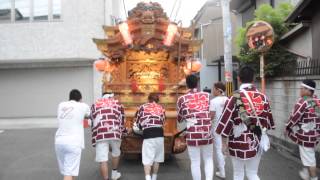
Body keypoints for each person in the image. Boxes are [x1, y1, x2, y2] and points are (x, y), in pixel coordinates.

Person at [216, 66, 275, 180]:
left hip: (238, 140)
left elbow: (226, 121)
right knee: (253, 173)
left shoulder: (235, 97)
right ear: (253, 79)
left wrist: (224, 143)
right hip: (257, 139)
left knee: (238, 174)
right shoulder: (263, 97)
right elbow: (268, 121)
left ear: (238, 79)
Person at [177, 74, 214, 180]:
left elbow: (180, 118)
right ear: (197, 83)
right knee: (208, 159)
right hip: (207, 131)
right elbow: (211, 113)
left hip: (193, 132)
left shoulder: (182, 99)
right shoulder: (207, 96)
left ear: (187, 85)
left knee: (195, 162)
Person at [285, 79, 320, 180]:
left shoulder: (303, 101)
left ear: (308, 90)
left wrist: (287, 127)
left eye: (302, 89)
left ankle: (313, 177)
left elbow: (294, 117)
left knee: (310, 159)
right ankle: (306, 173)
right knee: (308, 156)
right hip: (315, 135)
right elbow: (317, 117)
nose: (300, 90)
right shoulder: (316, 101)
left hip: (306, 136)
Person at [55, 89, 90, 180]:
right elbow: (89, 116)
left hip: (59, 142)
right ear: (80, 99)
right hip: (73, 142)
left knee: (69, 171)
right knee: (68, 172)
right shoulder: (83, 106)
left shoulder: (61, 105)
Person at [91, 91, 126, 180]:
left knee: (103, 159)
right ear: (111, 97)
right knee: (115, 152)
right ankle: (114, 173)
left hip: (100, 133)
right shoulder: (117, 103)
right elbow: (122, 120)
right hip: (114, 131)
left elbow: (92, 122)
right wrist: (123, 131)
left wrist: (94, 137)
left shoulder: (95, 104)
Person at [135, 93, 166, 180]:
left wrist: (142, 126)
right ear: (157, 100)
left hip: (148, 134)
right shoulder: (161, 108)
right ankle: (154, 178)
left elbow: (138, 123)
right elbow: (163, 122)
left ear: (148, 99)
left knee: (147, 160)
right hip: (159, 134)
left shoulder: (142, 107)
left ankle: (148, 178)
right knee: (157, 159)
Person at [209, 82, 228, 179]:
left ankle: (222, 171)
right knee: (224, 148)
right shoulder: (228, 100)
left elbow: (211, 116)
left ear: (218, 90)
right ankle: (222, 166)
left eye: (214, 89)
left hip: (217, 128)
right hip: (227, 128)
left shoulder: (214, 101)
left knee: (218, 149)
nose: (213, 91)